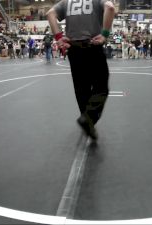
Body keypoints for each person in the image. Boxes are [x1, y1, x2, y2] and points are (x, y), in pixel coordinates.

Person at [46, 0, 115, 140]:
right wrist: (105, 34)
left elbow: (50, 13)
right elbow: (110, 7)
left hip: (74, 49)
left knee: (81, 88)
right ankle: (88, 119)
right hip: (92, 45)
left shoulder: (67, 2)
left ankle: (88, 123)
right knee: (101, 87)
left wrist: (59, 38)